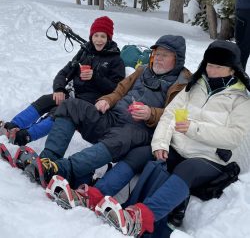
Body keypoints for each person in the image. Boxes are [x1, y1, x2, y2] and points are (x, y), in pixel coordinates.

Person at [49, 40, 250, 237]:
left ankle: (141, 217)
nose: (211, 71)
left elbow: (234, 136)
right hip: (177, 147)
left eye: (218, 67)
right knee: (138, 155)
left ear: (233, 70)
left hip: (209, 157)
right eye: (209, 65)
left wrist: (194, 128)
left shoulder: (240, 100)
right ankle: (94, 195)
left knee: (186, 170)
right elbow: (170, 115)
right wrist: (161, 144)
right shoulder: (194, 87)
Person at [23, 35, 191, 189]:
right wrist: (107, 100)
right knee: (72, 105)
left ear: (177, 59)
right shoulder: (143, 70)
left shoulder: (184, 84)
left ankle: (63, 170)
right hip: (113, 117)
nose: (159, 59)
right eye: (157, 53)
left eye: (165, 55)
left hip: (140, 131)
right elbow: (120, 90)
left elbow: (178, 116)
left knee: (121, 137)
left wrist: (151, 113)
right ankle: (47, 160)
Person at [2, 16, 125, 146]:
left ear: (109, 38)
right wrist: (59, 89)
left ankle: (25, 136)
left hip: (90, 104)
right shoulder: (85, 52)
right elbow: (64, 72)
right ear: (91, 37)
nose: (99, 40)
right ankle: (12, 126)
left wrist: (95, 77)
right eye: (96, 36)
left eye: (103, 36)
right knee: (46, 100)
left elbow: (116, 90)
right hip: (73, 95)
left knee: (59, 111)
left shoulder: (116, 60)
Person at [235, 0, 250, 70]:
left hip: (243, 8)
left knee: (242, 48)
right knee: (242, 48)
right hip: (245, 9)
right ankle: (239, 78)